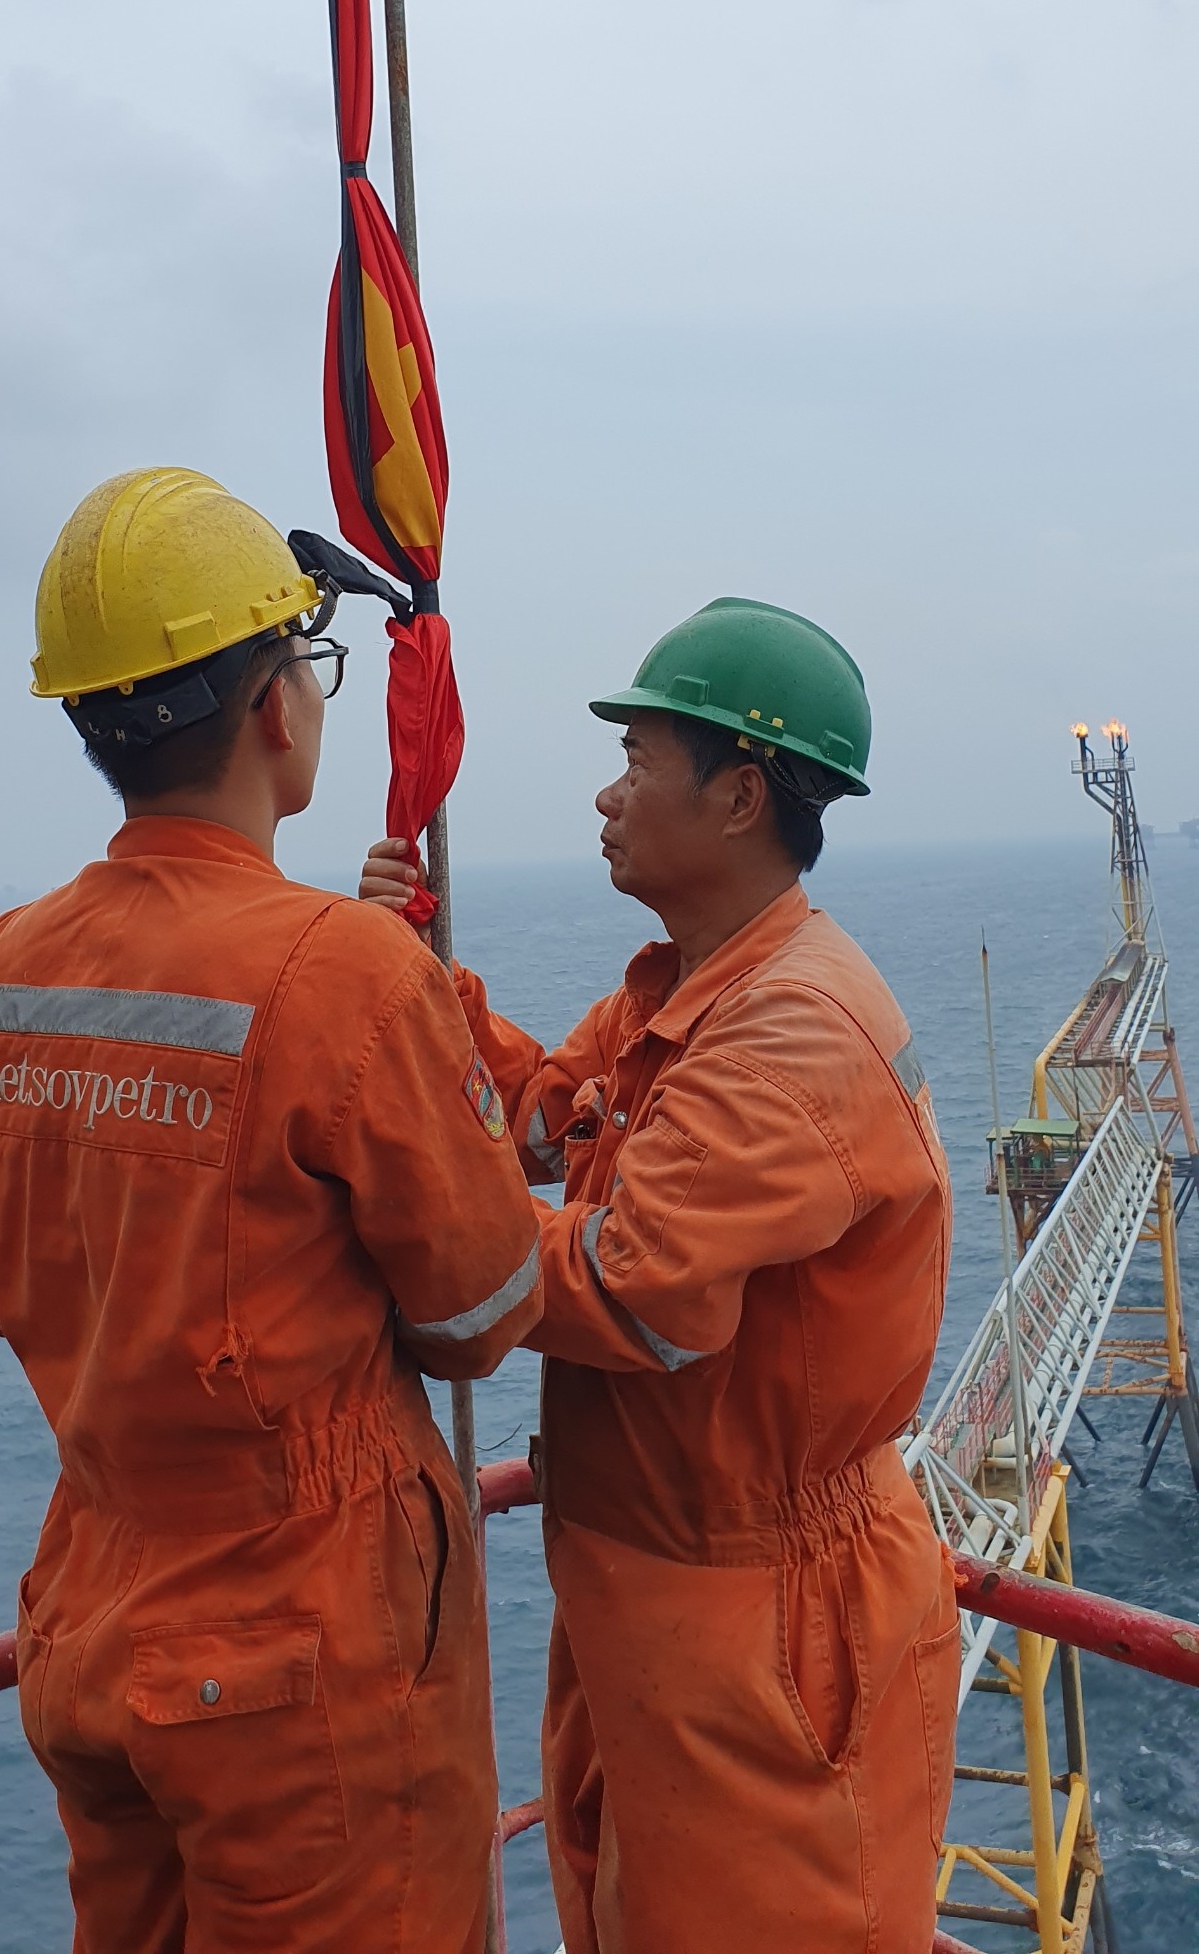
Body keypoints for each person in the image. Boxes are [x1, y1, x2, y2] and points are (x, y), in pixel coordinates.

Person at [0, 466, 543, 1954]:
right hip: (299, 1655)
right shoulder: (345, 974)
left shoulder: (10, 966)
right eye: (311, 654)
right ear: (272, 710)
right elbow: (485, 1314)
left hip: (88, 1610)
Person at [364, 595, 959, 1954]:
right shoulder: (686, 991)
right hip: (649, 1592)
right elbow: (534, 1119)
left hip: (768, 1621)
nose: (607, 794)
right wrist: (411, 986)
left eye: (636, 762)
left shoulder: (793, 1029)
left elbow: (635, 1286)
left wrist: (400, 1235)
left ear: (740, 796)